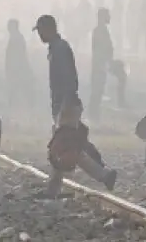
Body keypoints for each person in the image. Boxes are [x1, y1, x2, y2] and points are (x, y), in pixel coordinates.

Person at [32, 15, 117, 192]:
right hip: (65, 103)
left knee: (64, 145)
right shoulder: (57, 48)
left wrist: (65, 105)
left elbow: (69, 79)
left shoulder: (60, 49)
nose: (39, 35)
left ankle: (57, 188)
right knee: (72, 142)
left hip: (66, 104)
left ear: (49, 29)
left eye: (40, 31)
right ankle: (104, 174)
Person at [45, 95, 114, 197]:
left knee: (73, 151)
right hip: (65, 103)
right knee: (73, 152)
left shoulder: (76, 130)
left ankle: (52, 191)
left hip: (63, 102)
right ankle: (104, 175)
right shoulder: (73, 130)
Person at [89, 8, 114, 121]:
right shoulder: (100, 31)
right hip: (99, 65)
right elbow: (100, 49)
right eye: (107, 15)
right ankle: (94, 115)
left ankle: (94, 114)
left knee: (98, 91)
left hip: (100, 64)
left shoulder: (101, 30)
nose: (110, 17)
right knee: (97, 91)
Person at [5, 19, 35, 109]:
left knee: (17, 88)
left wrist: (12, 68)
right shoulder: (16, 37)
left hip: (17, 68)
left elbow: (16, 55)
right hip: (18, 68)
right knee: (17, 88)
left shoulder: (16, 38)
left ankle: (14, 106)